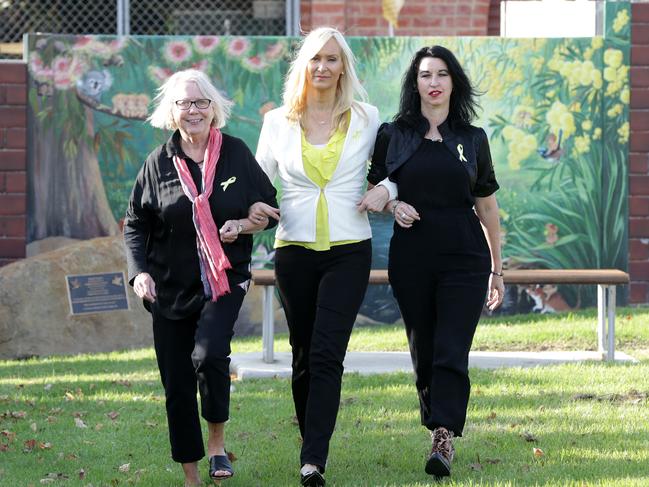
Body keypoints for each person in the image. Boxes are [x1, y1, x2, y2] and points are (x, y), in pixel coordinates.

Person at [252, 27, 395, 487]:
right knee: (302, 355)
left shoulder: (368, 118)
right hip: (293, 250)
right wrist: (252, 209)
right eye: (315, 58)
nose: (323, 67)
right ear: (303, 65)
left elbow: (397, 170)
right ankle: (309, 444)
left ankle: (313, 461)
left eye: (332, 59)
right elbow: (258, 183)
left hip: (349, 249)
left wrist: (385, 191)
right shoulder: (277, 121)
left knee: (327, 351)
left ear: (343, 67)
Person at [123, 69, 279, 487]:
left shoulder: (236, 154)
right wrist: (139, 274)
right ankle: (191, 475)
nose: (193, 110)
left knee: (209, 356)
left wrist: (244, 224)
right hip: (168, 288)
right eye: (184, 103)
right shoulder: (157, 164)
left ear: (214, 109)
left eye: (201, 102)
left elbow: (269, 206)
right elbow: (135, 224)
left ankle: (217, 446)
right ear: (171, 113)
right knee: (176, 383)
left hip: (222, 281)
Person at [367, 45, 504, 479]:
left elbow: (487, 207)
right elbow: (373, 191)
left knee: (451, 346)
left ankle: (444, 436)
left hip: (465, 253)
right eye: (426, 74)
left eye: (442, 74)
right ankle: (435, 422)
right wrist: (394, 206)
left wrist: (497, 269)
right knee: (423, 346)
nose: (434, 82)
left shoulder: (473, 137)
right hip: (413, 254)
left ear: (453, 82)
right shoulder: (394, 134)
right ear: (416, 83)